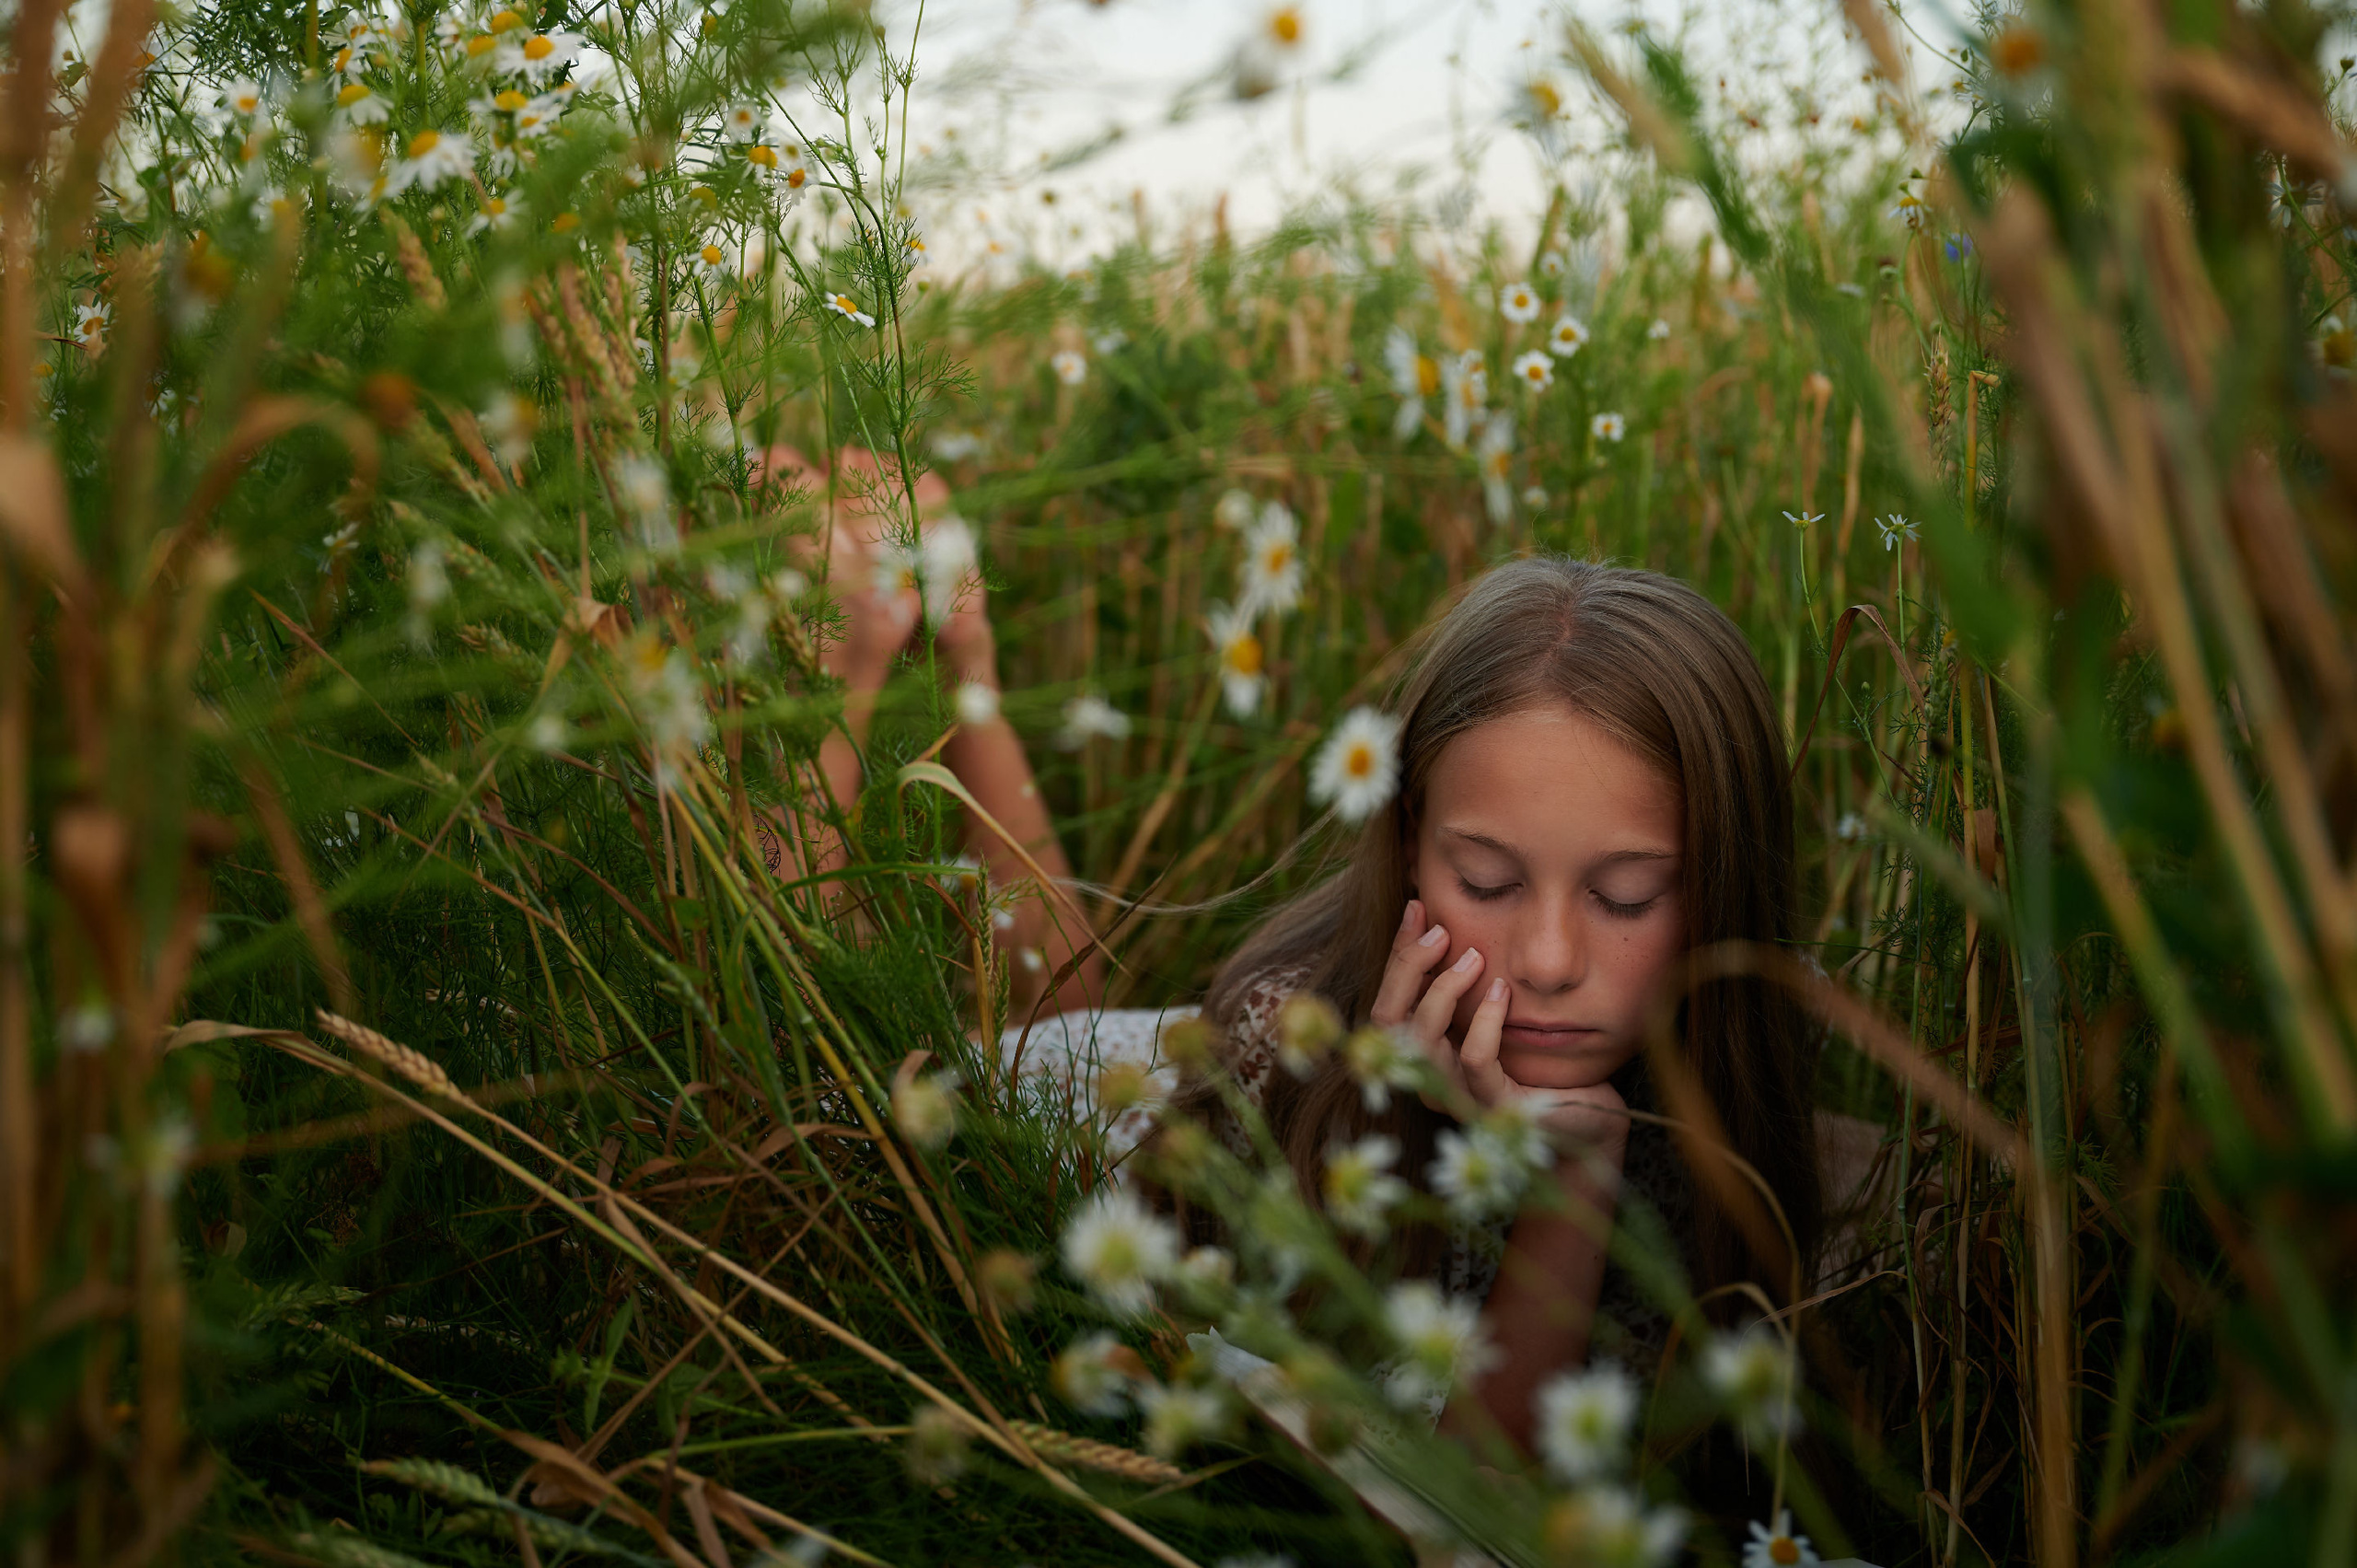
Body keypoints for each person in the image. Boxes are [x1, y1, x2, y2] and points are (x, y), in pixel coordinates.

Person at [781, 468, 1830, 1460]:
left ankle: (967, 663)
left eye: (1624, 896)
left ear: (1724, 880)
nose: (1548, 960)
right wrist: (1566, 1184)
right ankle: (850, 666)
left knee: (1064, 1003)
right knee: (813, 1079)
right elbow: (1468, 1512)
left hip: (1125, 1055)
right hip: (1014, 1130)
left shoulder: (1731, 1111)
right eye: (1487, 879)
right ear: (1410, 841)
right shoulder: (1299, 1048)